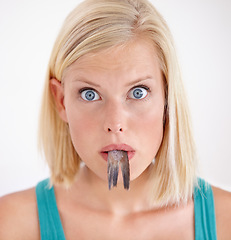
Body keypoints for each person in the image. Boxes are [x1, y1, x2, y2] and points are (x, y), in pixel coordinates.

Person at [0, 0, 231, 239]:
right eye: (90, 94)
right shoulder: (11, 224)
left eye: (138, 92)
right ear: (61, 102)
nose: (115, 124)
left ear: (168, 98)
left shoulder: (227, 220)